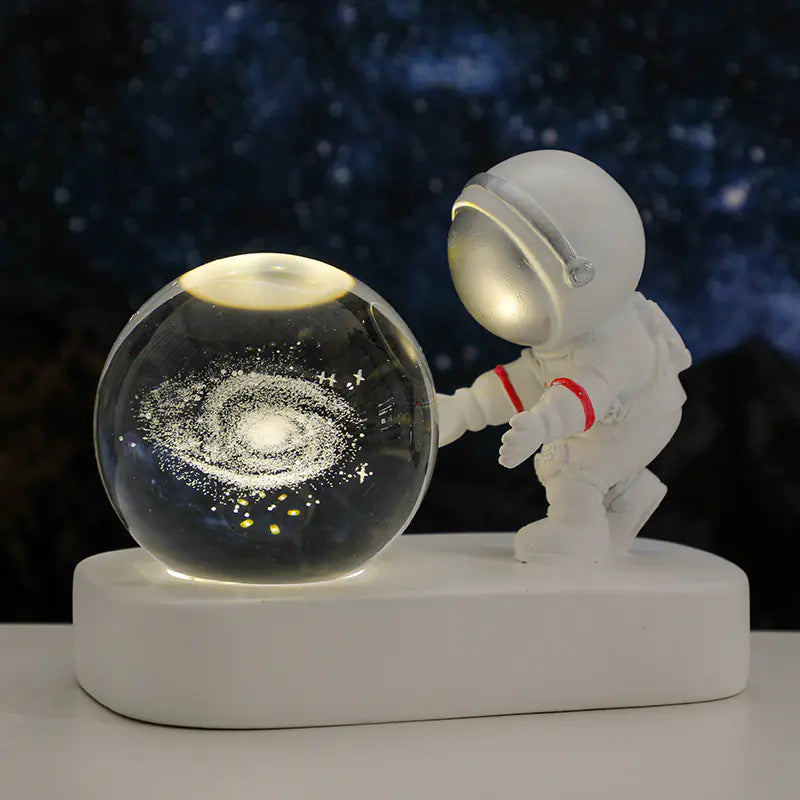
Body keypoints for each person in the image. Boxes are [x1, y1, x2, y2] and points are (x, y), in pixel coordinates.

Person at [437, 150, 691, 562]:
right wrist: (465, 409)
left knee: (564, 461)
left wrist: (541, 424)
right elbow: (525, 380)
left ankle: (579, 529)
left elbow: (579, 396)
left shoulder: (611, 344)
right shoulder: (569, 332)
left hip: (636, 417)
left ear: (581, 273)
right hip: (612, 411)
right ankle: (628, 495)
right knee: (577, 444)